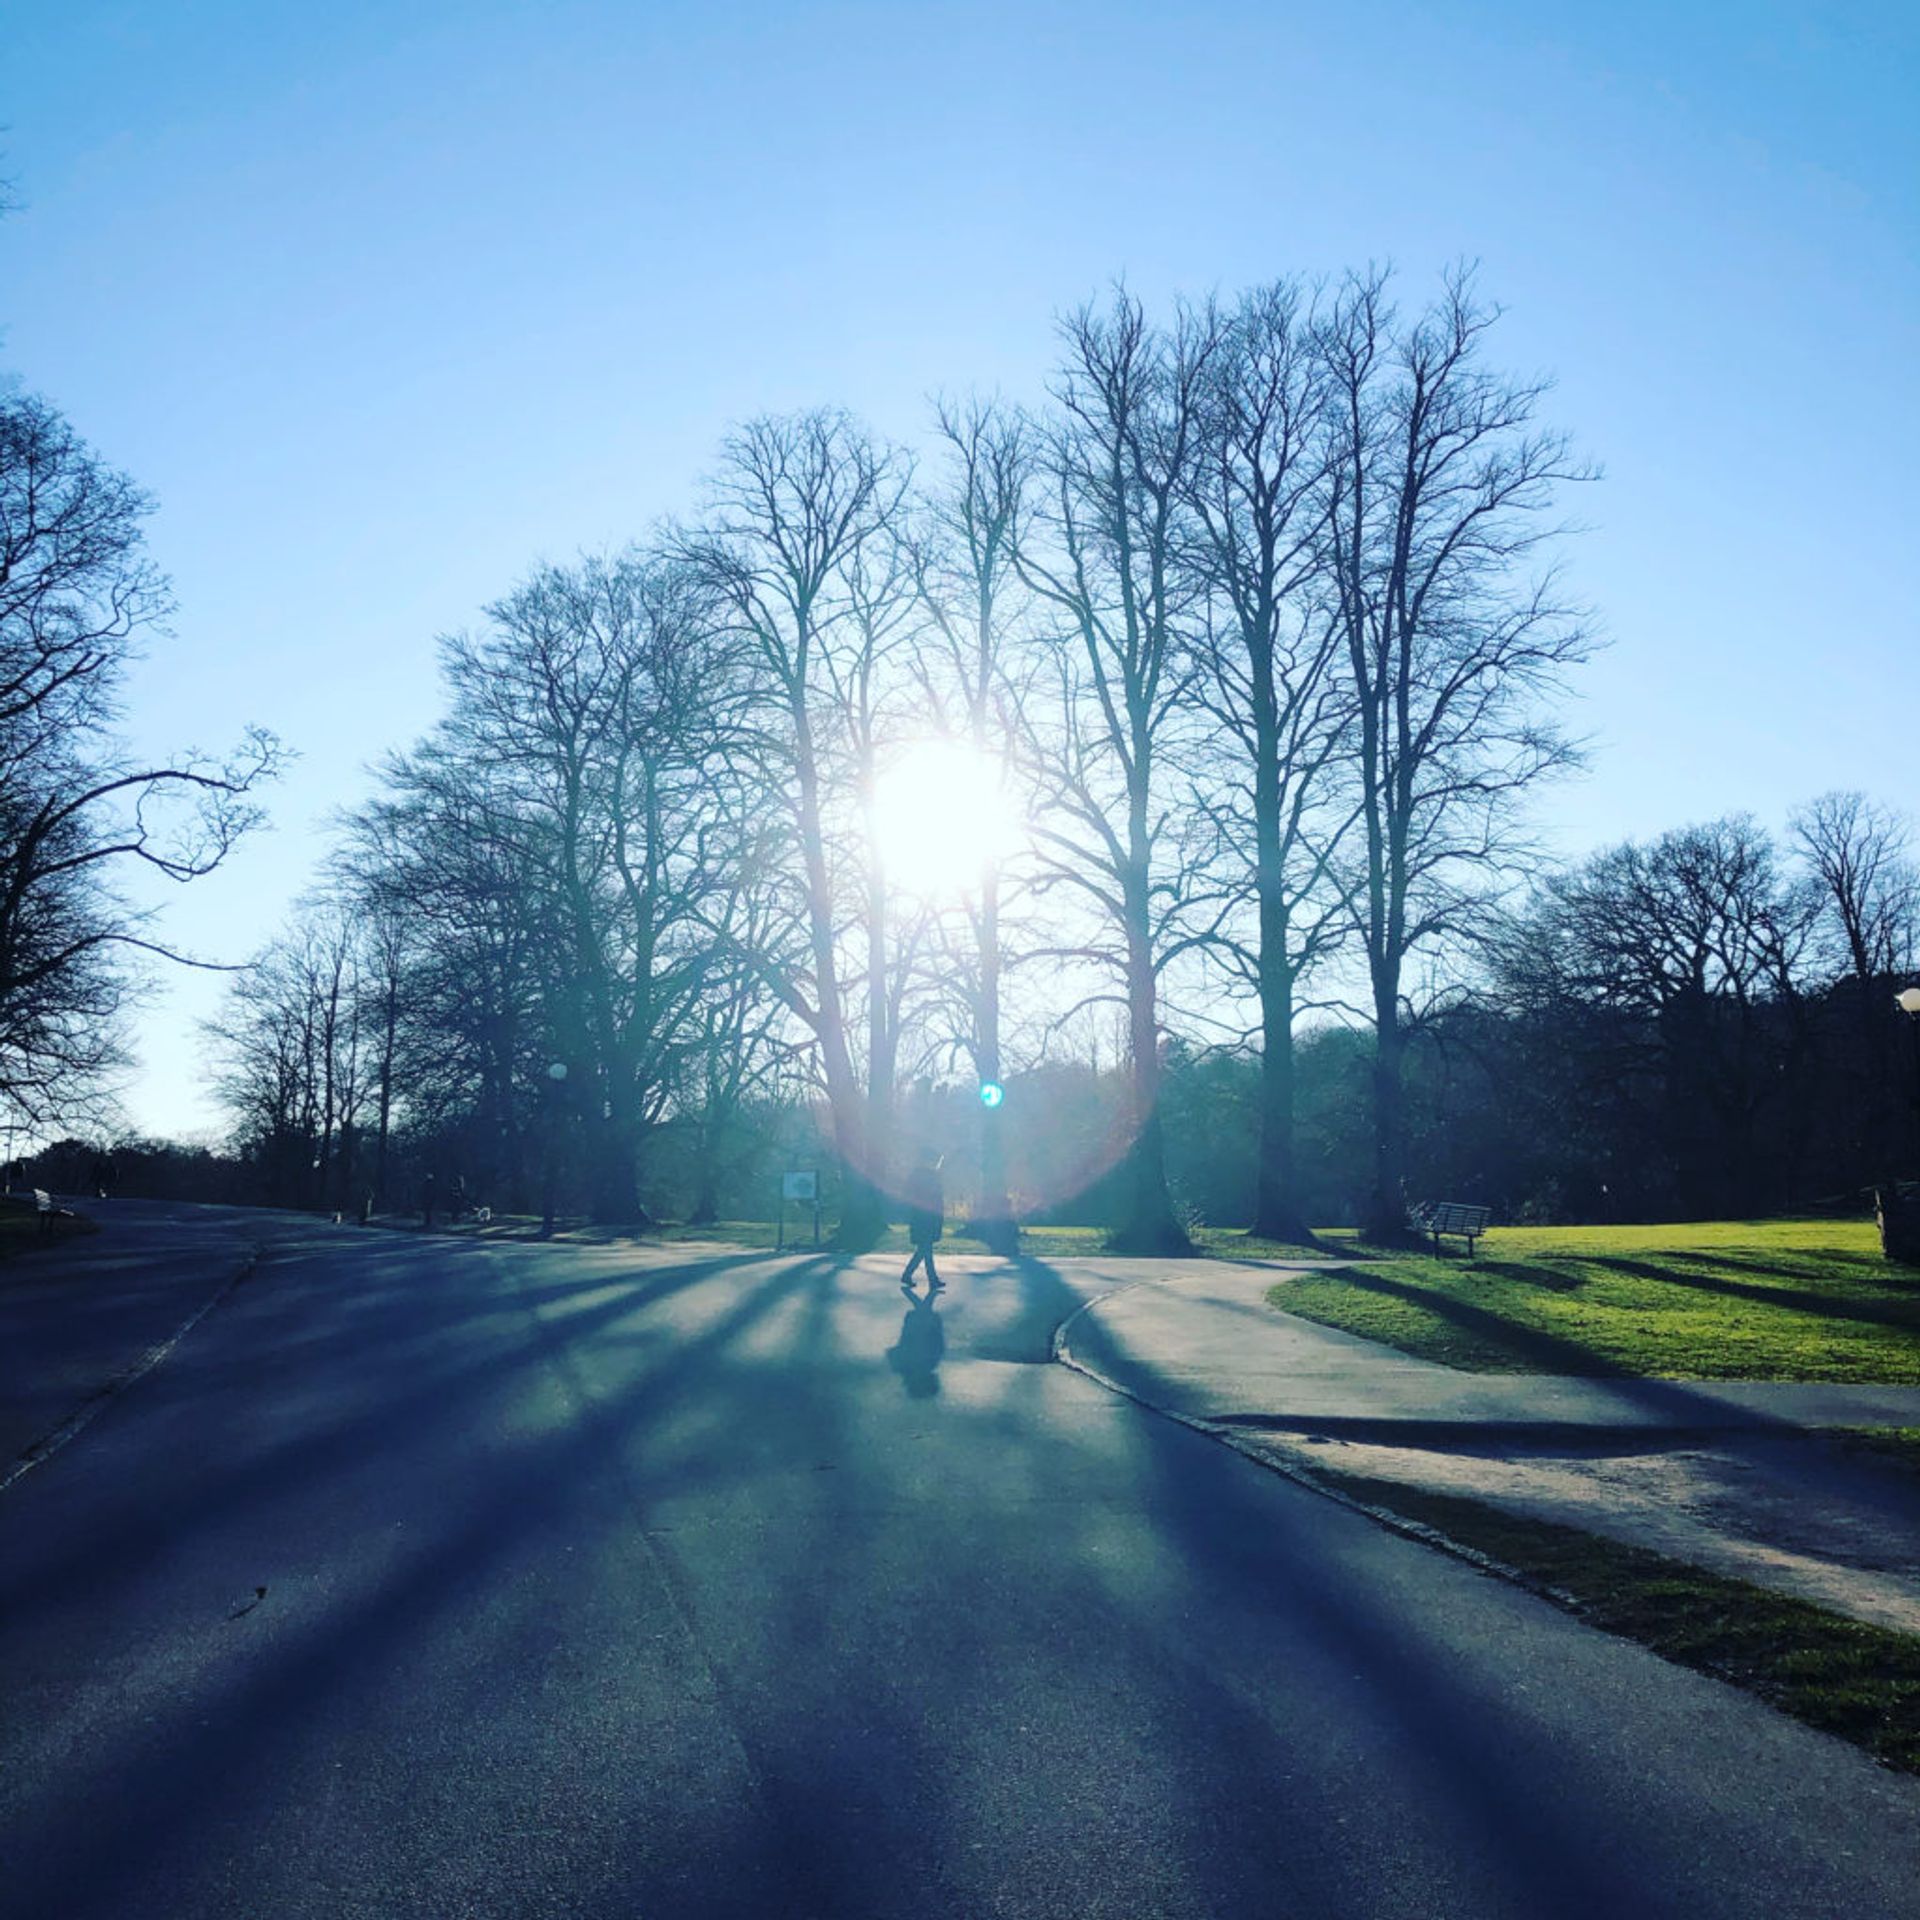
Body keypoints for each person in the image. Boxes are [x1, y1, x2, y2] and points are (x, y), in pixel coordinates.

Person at [900, 1151, 944, 1291]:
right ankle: (932, 1280)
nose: (937, 1164)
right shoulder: (925, 1177)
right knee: (926, 1249)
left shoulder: (921, 1176)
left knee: (923, 1250)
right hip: (924, 1219)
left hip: (923, 1218)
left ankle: (908, 1275)